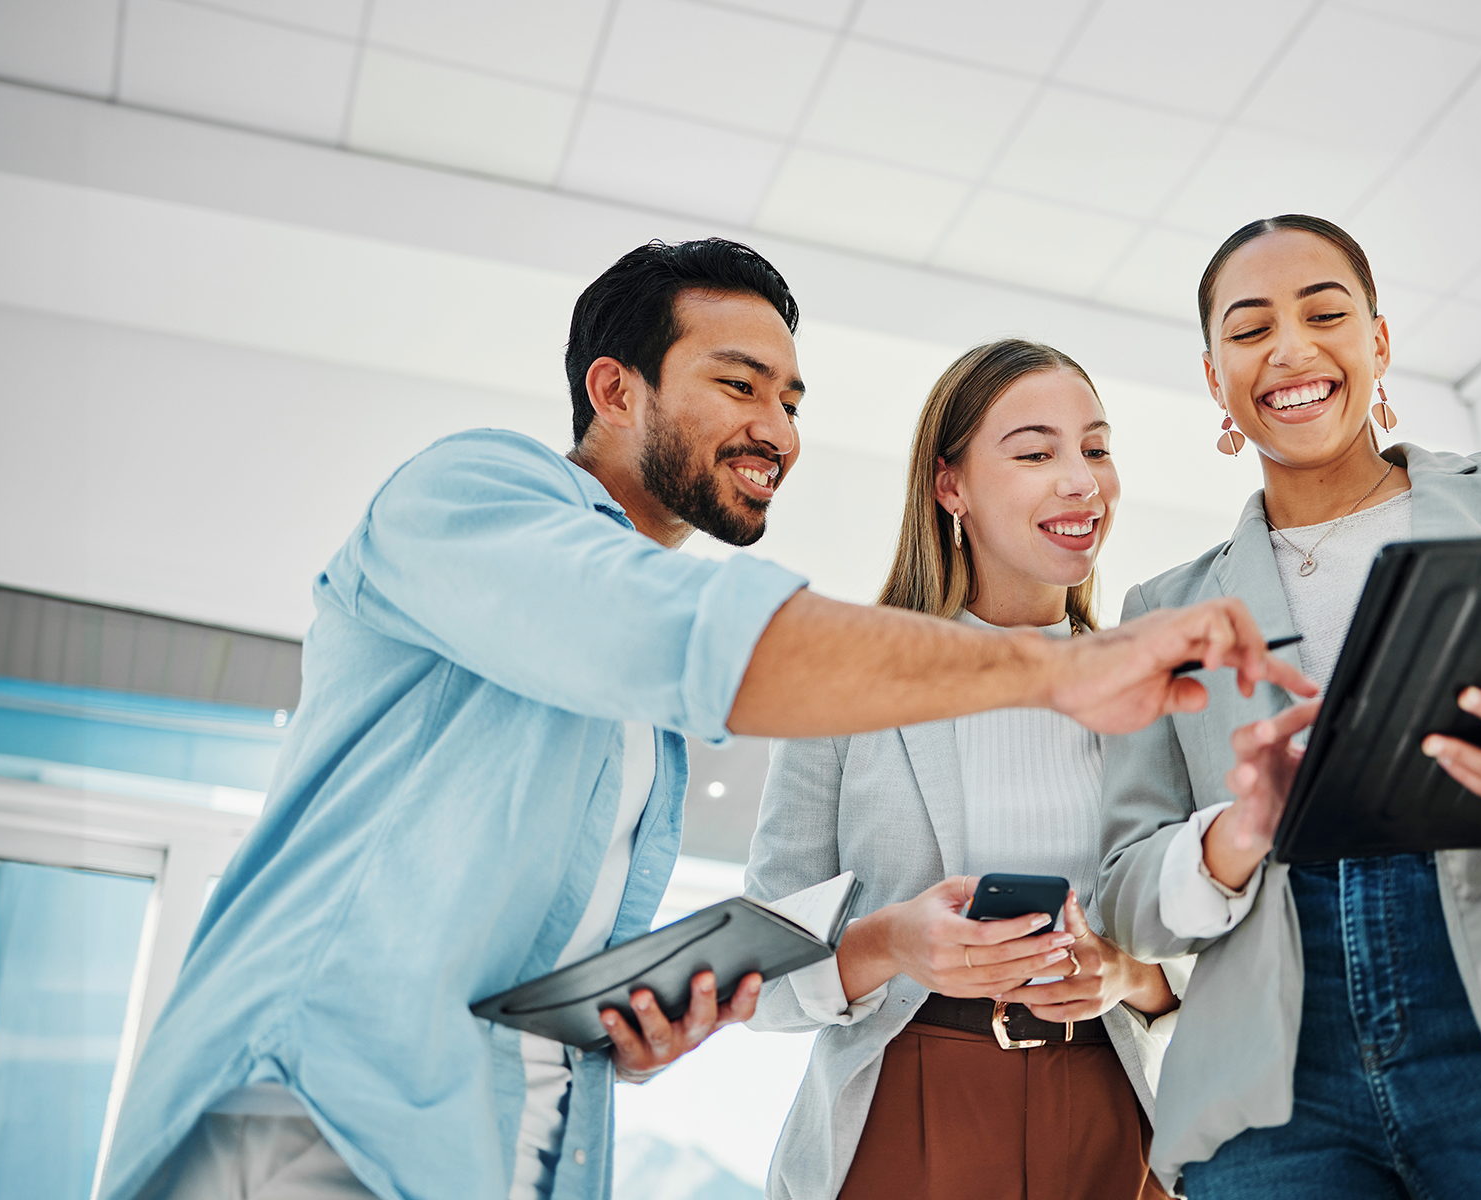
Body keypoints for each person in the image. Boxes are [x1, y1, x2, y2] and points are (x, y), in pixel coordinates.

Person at [98, 239, 1306, 1200]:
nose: (777, 429)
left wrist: (653, 1010)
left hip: (513, 1141)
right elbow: (696, 641)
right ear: (614, 389)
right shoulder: (474, 494)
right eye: (738, 384)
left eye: (790, 397)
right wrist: (1045, 672)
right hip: (320, 1107)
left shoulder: (642, 727)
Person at [1096, 215, 1481, 1199]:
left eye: (1325, 313)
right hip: (1276, 1093)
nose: (1291, 348)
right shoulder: (1161, 612)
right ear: (1216, 378)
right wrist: (1233, 838)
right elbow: (1126, 894)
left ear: (1378, 343)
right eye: (1250, 329)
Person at [746, 340, 1207, 1200]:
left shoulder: (1157, 691)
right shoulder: (848, 680)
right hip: (905, 1105)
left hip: (1117, 1107)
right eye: (1035, 453)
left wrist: (1127, 975)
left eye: (1096, 449)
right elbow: (765, 969)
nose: (1081, 480)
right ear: (949, 485)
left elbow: (1217, 947)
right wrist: (892, 942)